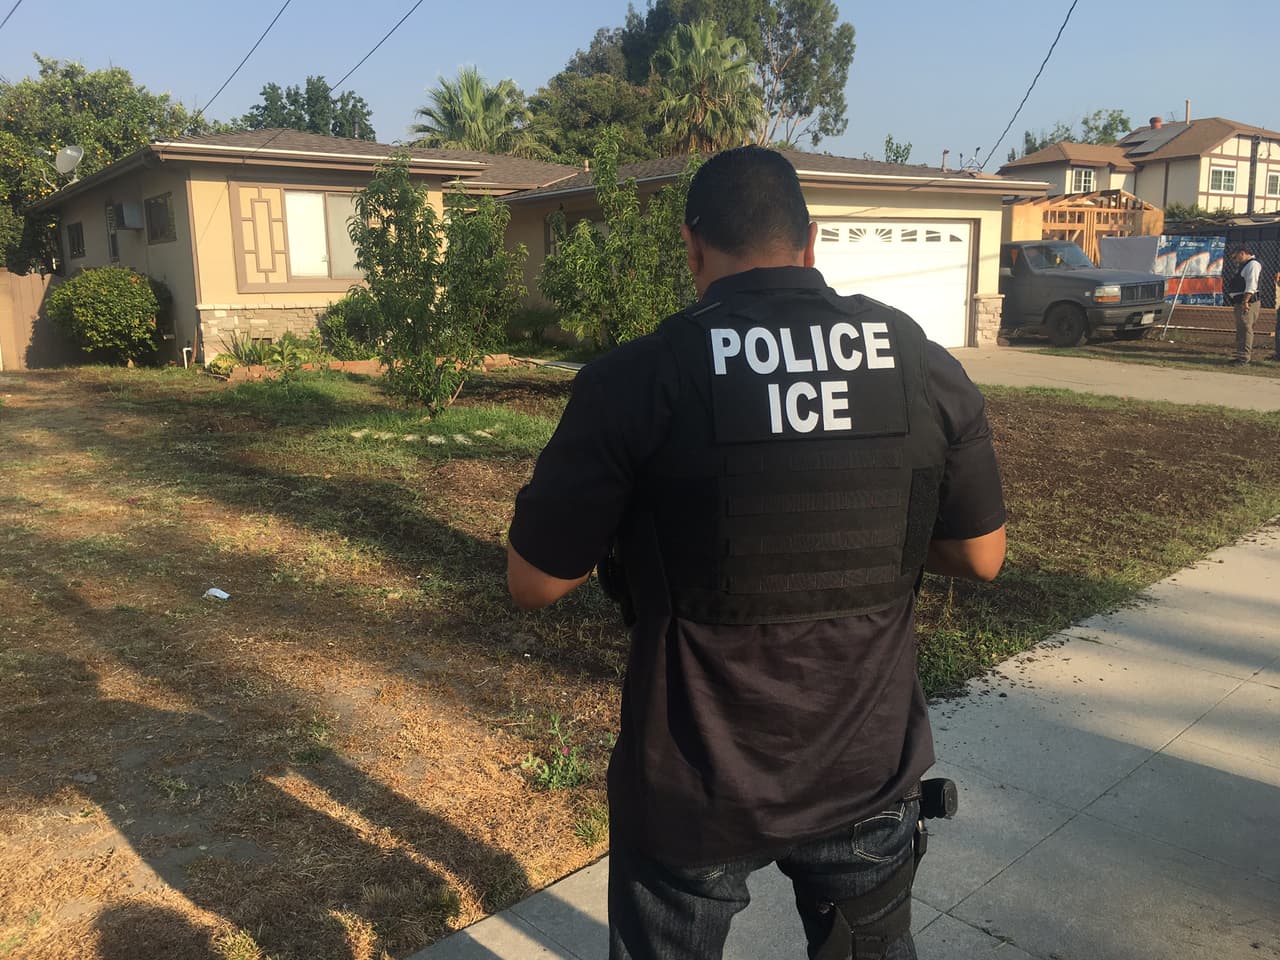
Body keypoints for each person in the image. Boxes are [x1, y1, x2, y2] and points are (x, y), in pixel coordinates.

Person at [506, 146, 1007, 960]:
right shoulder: (916, 358)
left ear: (693, 247)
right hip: (867, 770)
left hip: (696, 781)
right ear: (812, 243)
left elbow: (534, 581)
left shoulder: (637, 377)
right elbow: (982, 556)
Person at [1227, 244, 1262, 365]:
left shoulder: (1252, 265)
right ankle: (1240, 355)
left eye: (1236, 257)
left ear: (1242, 253)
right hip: (1240, 301)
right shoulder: (1244, 265)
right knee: (1241, 329)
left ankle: (1244, 358)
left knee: (1246, 328)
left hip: (1247, 302)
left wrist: (1245, 301)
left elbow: (1251, 285)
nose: (1235, 260)